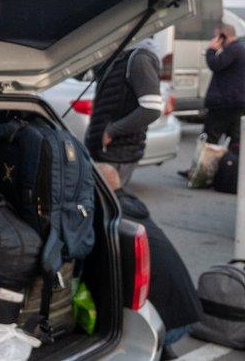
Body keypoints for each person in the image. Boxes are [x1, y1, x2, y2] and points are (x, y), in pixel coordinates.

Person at [95, 163, 201, 349]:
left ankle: (159, 347)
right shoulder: (132, 206)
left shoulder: (112, 219)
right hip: (189, 314)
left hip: (165, 327)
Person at [84, 39, 163, 186]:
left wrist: (111, 131)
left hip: (117, 153)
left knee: (112, 205)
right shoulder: (121, 56)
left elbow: (151, 109)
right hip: (105, 151)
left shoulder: (139, 59)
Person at [203, 23, 245, 147]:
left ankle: (205, 166)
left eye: (216, 37)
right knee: (235, 138)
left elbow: (215, 64)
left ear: (223, 37)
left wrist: (211, 50)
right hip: (235, 101)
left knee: (210, 137)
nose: (214, 40)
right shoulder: (239, 48)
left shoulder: (233, 49)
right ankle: (233, 164)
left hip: (224, 102)